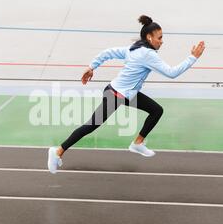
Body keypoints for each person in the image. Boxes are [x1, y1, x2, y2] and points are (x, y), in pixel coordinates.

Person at [47, 15, 205, 173]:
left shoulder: (135, 48)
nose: (162, 41)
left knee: (156, 110)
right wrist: (193, 58)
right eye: (160, 37)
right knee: (91, 125)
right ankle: (58, 151)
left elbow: (108, 52)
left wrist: (92, 66)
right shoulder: (148, 55)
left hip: (126, 94)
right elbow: (172, 73)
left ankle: (137, 143)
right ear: (149, 38)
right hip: (115, 95)